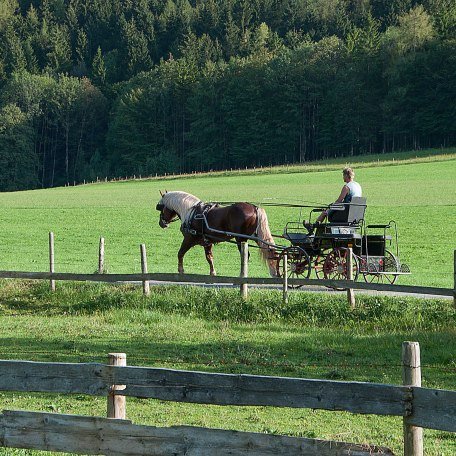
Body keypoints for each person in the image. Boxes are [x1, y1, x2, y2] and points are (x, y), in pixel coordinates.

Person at [304, 167, 362, 233]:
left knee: (325, 212)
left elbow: (339, 201)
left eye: (343, 175)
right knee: (329, 208)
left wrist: (329, 209)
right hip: (355, 215)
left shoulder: (346, 187)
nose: (343, 177)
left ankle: (312, 227)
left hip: (346, 213)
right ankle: (313, 226)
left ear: (346, 175)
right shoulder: (358, 185)